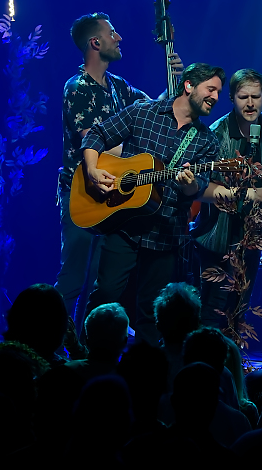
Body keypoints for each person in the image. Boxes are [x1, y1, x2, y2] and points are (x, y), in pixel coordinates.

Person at [80, 64, 223, 347]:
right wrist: (92, 170)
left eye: (218, 92)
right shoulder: (143, 112)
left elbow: (198, 187)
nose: (216, 97)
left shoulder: (207, 140)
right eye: (211, 89)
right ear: (189, 86)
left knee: (151, 311)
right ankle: (86, 356)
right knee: (105, 295)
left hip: (165, 233)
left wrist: (189, 185)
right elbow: (97, 134)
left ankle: (145, 367)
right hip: (124, 224)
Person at [56, 12, 182, 326]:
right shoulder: (77, 87)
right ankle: (50, 340)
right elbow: (93, 140)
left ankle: (86, 342)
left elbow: (154, 110)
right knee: (73, 277)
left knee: (100, 282)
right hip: (82, 192)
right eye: (112, 33)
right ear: (95, 43)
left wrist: (176, 81)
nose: (119, 38)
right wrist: (141, 152)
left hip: (113, 196)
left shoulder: (119, 87)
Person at [191, 69, 262, 329]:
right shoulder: (216, 133)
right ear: (232, 98)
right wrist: (247, 194)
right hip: (217, 238)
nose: (250, 103)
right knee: (213, 311)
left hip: (252, 238)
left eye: (256, 97)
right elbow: (200, 189)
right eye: (243, 97)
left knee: (239, 310)